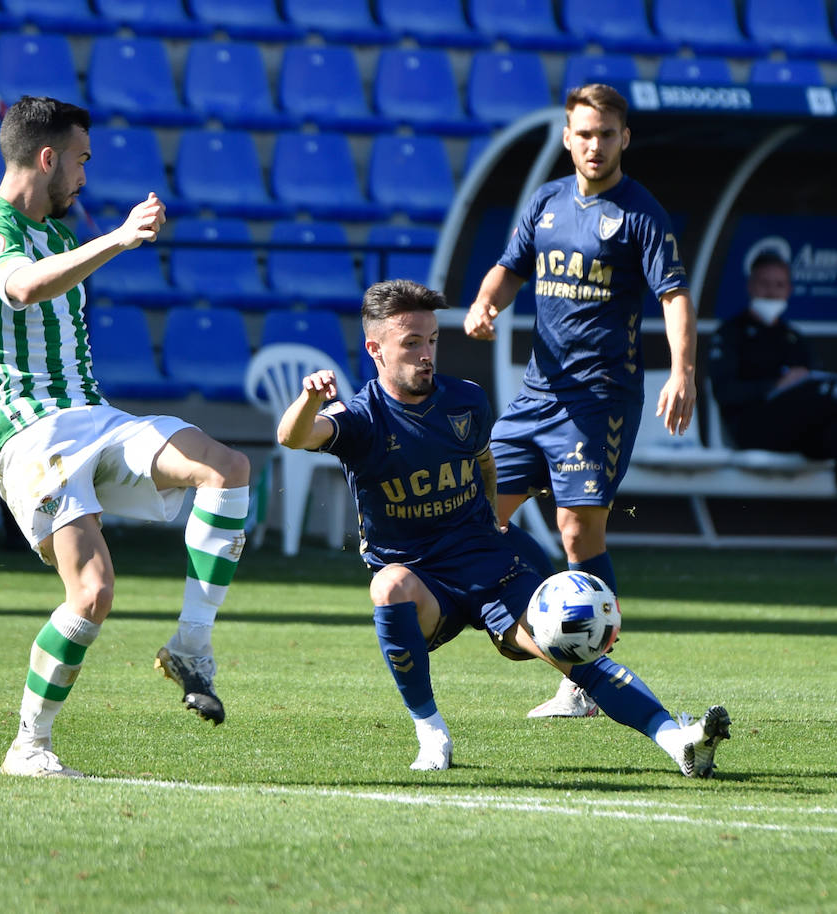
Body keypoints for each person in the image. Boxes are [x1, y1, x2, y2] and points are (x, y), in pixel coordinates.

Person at [278, 279, 729, 775]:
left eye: (431, 340)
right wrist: (308, 400)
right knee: (387, 587)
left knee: (565, 646)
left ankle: (678, 741)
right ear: (375, 349)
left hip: (494, 564)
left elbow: (484, 460)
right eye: (411, 343)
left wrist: (494, 509)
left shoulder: (465, 400)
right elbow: (293, 436)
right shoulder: (361, 417)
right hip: (424, 579)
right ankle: (431, 734)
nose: (426, 354)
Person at [0, 96, 251, 778]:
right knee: (92, 595)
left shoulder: (59, 235)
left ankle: (192, 646)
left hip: (93, 418)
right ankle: (29, 745)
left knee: (226, 467)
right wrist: (117, 238)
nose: (85, 175)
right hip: (28, 435)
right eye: (81, 160)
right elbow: (20, 290)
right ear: (47, 158)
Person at [463, 83, 698, 719]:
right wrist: (487, 303)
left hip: (599, 402)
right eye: (584, 134)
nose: (594, 145)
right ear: (568, 138)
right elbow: (508, 269)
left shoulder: (640, 213)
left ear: (625, 138)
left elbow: (673, 296)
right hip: (536, 396)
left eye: (606, 134)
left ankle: (585, 679)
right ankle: (529, 612)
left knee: (576, 530)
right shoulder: (545, 202)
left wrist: (683, 372)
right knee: (477, 515)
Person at [708, 250, 837, 484]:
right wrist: (777, 385)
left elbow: (815, 383)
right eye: (764, 283)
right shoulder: (730, 333)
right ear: (750, 286)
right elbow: (725, 392)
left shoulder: (794, 337)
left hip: (800, 431)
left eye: (779, 285)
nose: (771, 291)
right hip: (753, 428)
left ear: (788, 290)